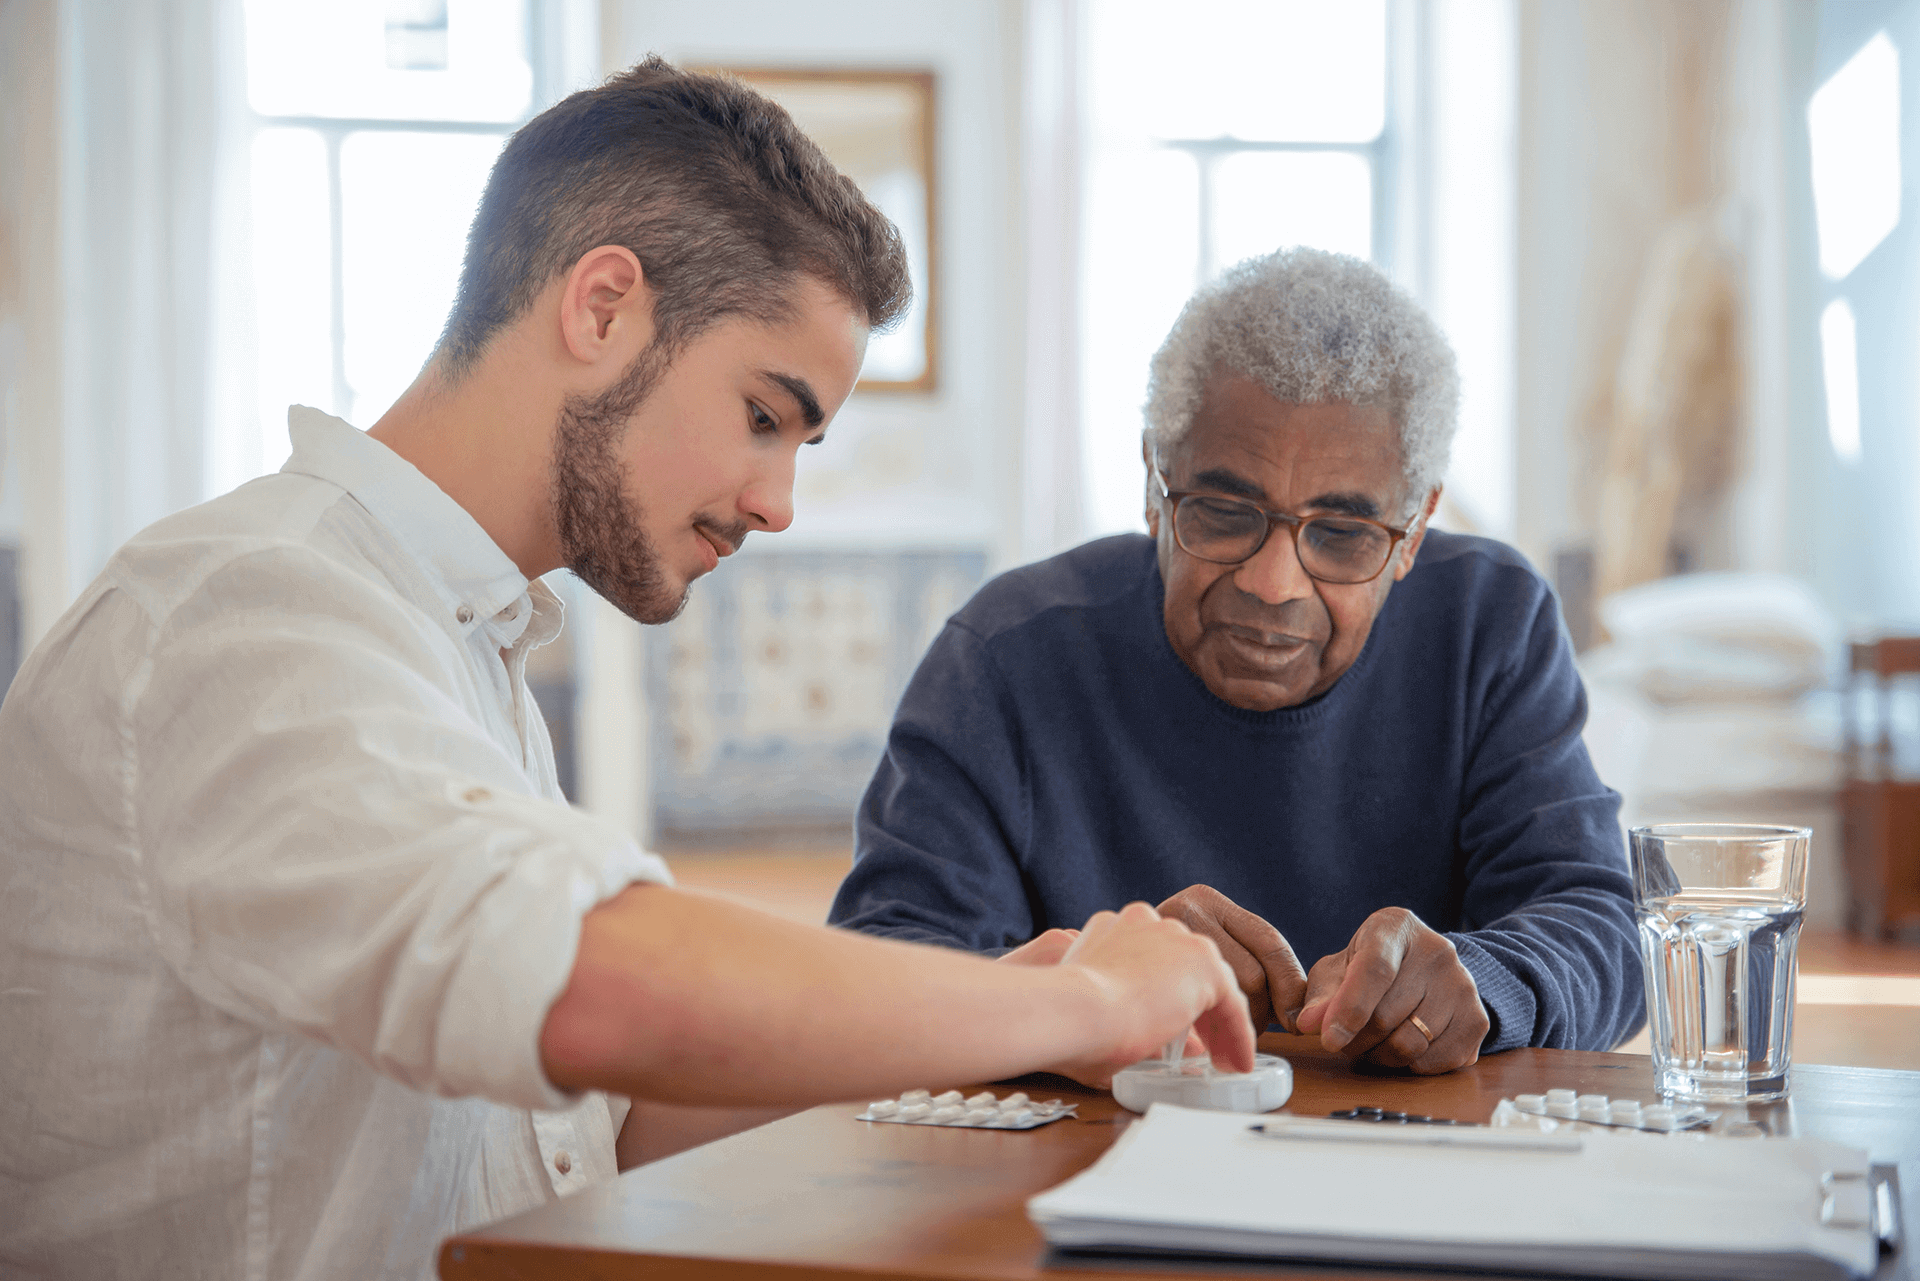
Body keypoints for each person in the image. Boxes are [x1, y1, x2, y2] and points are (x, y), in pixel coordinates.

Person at [0, 59, 1253, 1281]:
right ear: (602, 308)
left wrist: (980, 1003)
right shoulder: (245, 610)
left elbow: (583, 1133)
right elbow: (589, 984)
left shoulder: (455, 639)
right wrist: (1082, 1007)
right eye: (766, 416)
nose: (779, 506)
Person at [831, 247, 1645, 1076]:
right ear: (1154, 484)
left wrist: (1490, 976)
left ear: (1414, 529)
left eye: (1343, 534)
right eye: (1223, 512)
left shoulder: (1491, 625)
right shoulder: (1006, 656)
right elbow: (882, 977)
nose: (1271, 583)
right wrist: (1097, 984)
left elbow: (1604, 926)